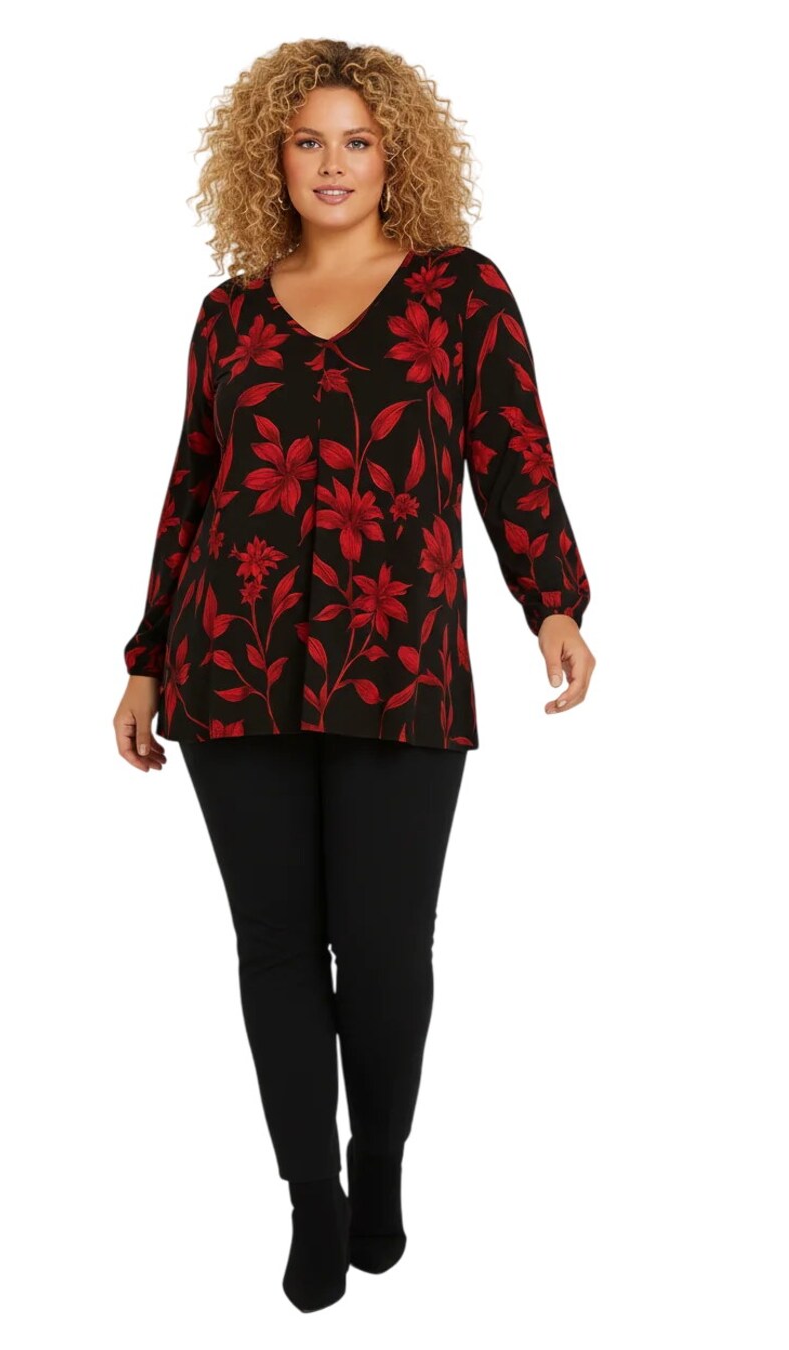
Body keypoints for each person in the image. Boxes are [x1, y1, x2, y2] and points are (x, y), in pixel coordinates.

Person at [113, 38, 596, 1313]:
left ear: (397, 157)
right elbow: (194, 489)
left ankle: (379, 1160)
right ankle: (312, 1198)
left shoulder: (458, 292)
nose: (332, 164)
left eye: (358, 141)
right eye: (308, 140)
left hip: (400, 664)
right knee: (275, 947)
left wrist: (551, 599)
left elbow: (512, 451)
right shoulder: (229, 313)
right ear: (270, 156)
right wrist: (147, 662)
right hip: (232, 663)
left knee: (383, 955)